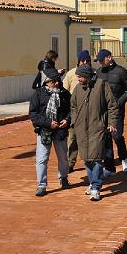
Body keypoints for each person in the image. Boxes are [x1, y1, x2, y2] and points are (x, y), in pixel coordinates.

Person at [70, 65, 119, 201]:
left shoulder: (102, 85)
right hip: (81, 129)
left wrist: (112, 123)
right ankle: (92, 183)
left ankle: (96, 187)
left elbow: (112, 106)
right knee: (86, 158)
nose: (78, 79)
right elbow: (73, 105)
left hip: (97, 128)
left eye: (80, 77)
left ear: (87, 76)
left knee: (96, 158)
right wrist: (74, 121)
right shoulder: (78, 88)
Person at [28, 67, 71, 196]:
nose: (57, 83)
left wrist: (67, 120)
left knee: (63, 157)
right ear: (46, 82)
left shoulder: (64, 94)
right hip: (44, 130)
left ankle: (63, 177)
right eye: (53, 81)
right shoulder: (38, 94)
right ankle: (41, 185)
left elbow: (72, 110)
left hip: (60, 131)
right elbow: (33, 114)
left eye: (57, 80)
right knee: (42, 159)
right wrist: (48, 123)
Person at [94, 49, 127, 174]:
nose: (100, 63)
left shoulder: (121, 72)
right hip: (102, 110)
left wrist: (119, 102)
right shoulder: (99, 72)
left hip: (117, 110)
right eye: (99, 61)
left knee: (116, 136)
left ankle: (124, 159)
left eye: (102, 60)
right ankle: (109, 167)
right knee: (106, 137)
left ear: (109, 57)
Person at [62, 50, 92, 172]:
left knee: (90, 138)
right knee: (73, 138)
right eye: (83, 61)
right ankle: (70, 162)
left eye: (87, 61)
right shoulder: (70, 74)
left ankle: (91, 162)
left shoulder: (93, 74)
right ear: (78, 61)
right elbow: (64, 92)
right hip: (74, 112)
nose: (85, 63)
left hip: (90, 112)